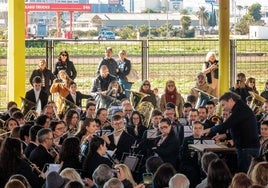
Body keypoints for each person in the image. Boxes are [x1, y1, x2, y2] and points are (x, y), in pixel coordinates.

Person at [203, 92, 260, 173]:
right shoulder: (239, 108)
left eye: (223, 105)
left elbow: (227, 124)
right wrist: (225, 135)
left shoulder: (240, 109)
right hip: (246, 148)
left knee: (245, 176)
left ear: (230, 100)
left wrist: (210, 130)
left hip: (247, 148)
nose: (224, 108)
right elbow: (240, 129)